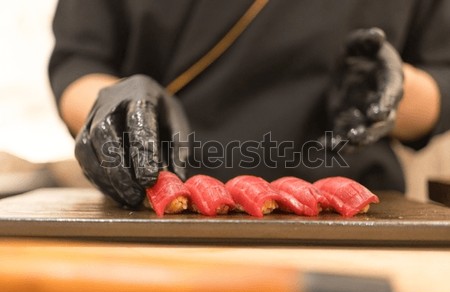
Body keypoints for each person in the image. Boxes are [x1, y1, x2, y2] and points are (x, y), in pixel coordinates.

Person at [49, 0, 449, 208]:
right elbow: (79, 60)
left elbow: (443, 77)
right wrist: (110, 105)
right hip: (154, 202)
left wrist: (394, 94)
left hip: (351, 215)